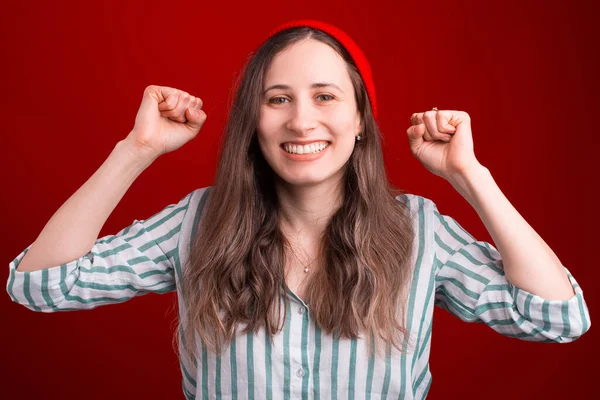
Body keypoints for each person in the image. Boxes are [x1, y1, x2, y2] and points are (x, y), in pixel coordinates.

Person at [6, 19, 591, 400]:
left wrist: (470, 175)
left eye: (326, 97)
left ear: (360, 119)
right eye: (277, 99)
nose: (301, 120)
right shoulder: (196, 222)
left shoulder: (419, 229)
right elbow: (42, 286)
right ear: (253, 124)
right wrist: (136, 151)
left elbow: (557, 318)